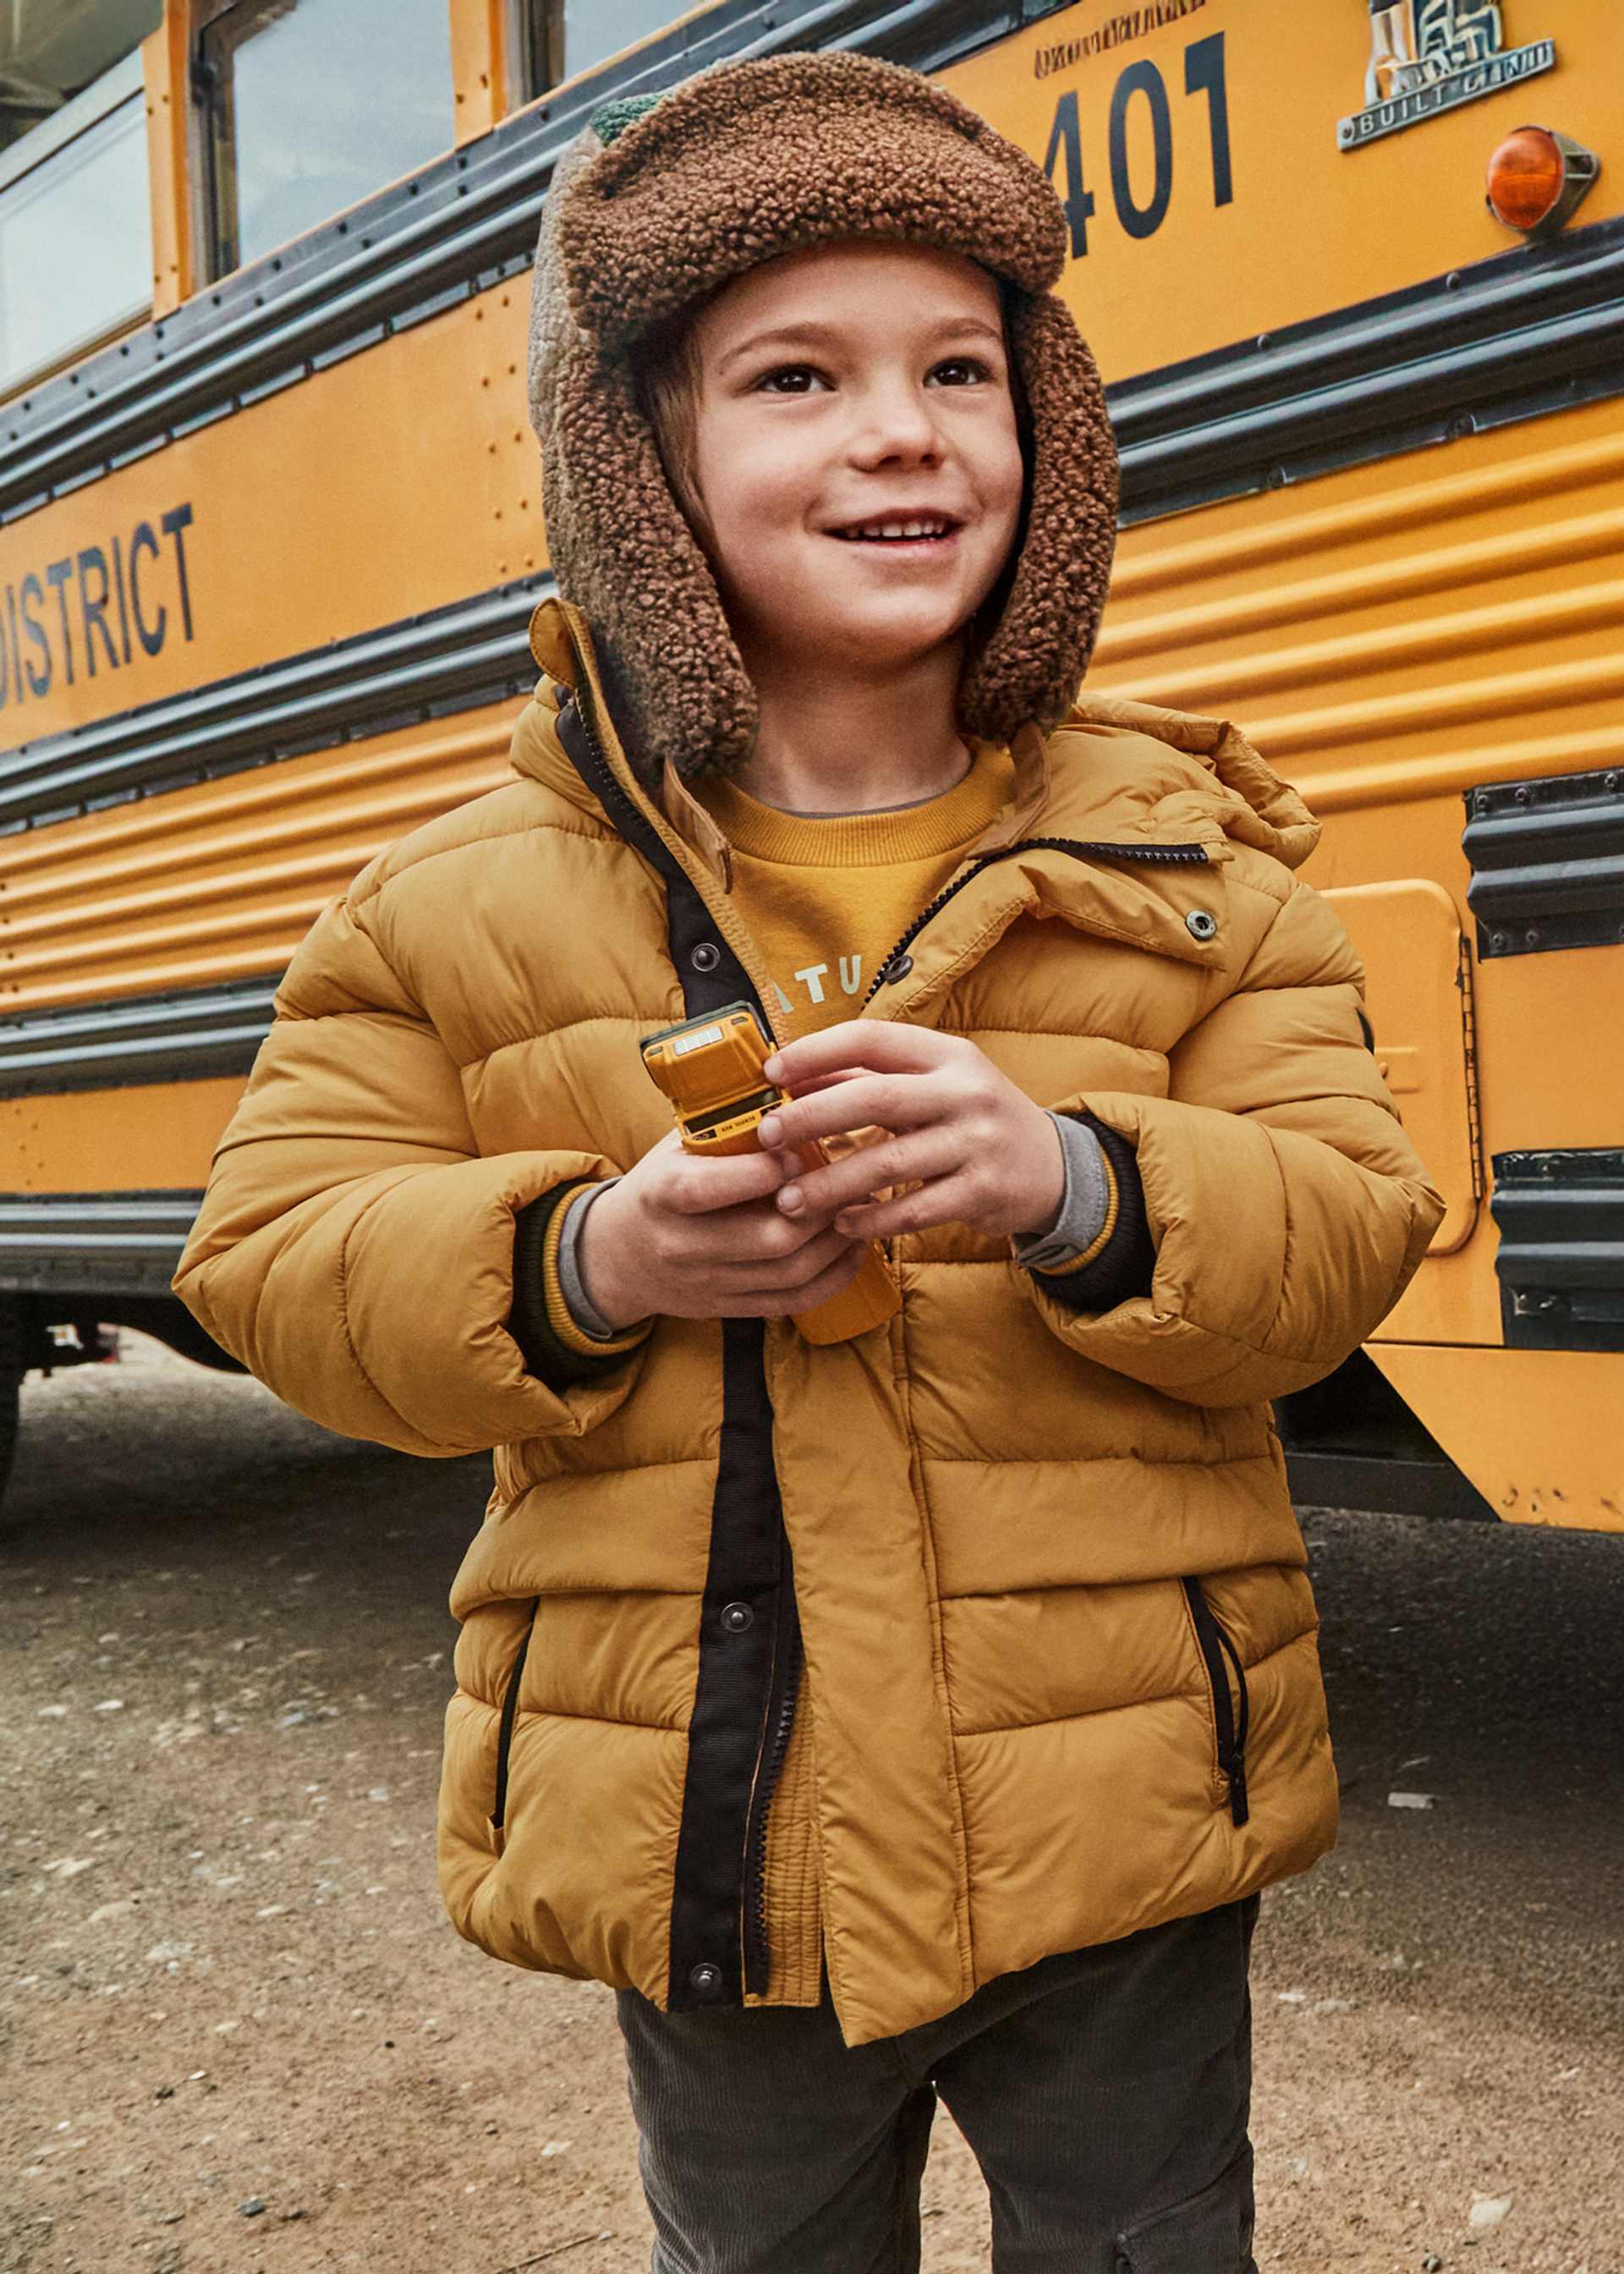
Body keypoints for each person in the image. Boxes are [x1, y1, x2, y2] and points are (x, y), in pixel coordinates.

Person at [173, 49, 1444, 2273]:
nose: (902, 431)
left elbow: (1342, 1234)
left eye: (965, 367)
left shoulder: (1196, 863)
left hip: (1117, 1821)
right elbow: (274, 1258)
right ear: (636, 465)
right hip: (714, 1845)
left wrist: (1073, 1181)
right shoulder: (453, 902)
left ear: (1047, 433)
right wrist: (594, 1254)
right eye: (796, 375)